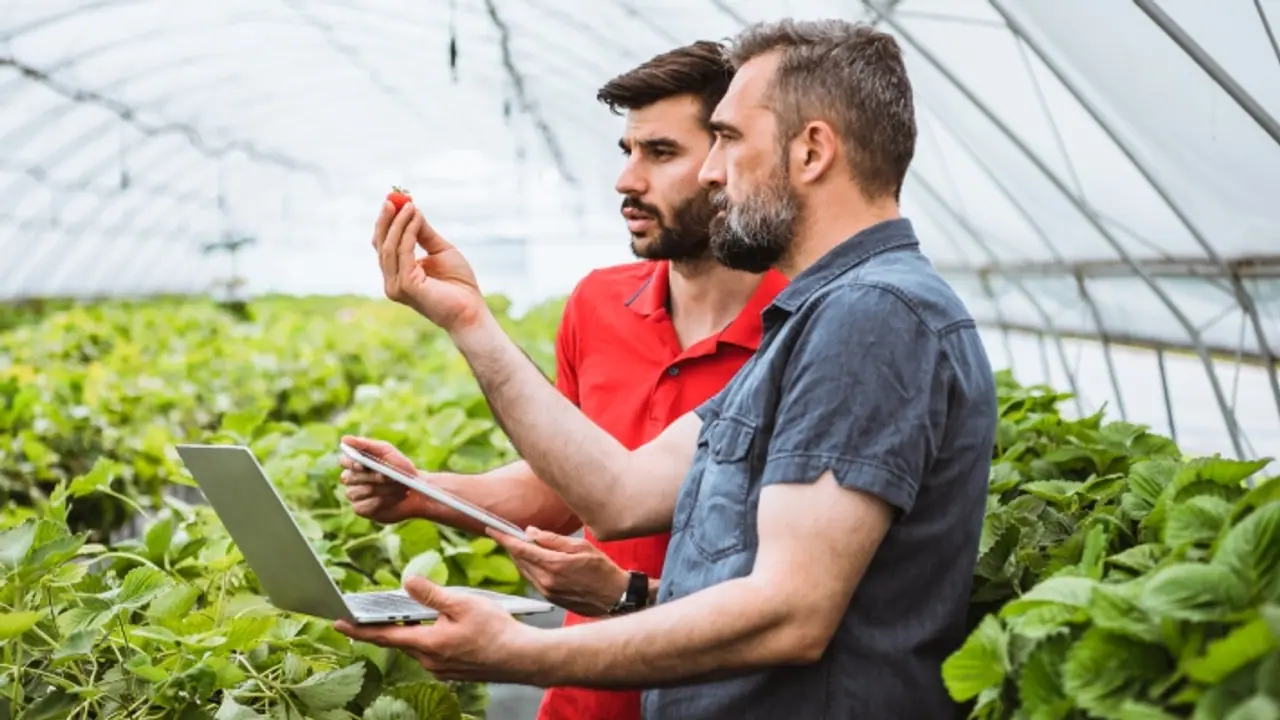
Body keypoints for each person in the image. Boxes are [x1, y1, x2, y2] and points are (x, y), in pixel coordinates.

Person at [338, 18, 997, 720]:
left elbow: (790, 613)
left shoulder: (872, 317)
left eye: (732, 139)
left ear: (812, 151)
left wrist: (519, 654)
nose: (715, 171)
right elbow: (618, 494)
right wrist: (467, 318)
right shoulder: (815, 321)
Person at [337, 41, 787, 720]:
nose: (626, 181)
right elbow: (569, 485)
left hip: (724, 699)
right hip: (582, 697)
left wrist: (627, 592)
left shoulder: (803, 330)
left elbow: (797, 588)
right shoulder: (598, 304)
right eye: (626, 151)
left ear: (730, 156)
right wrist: (426, 493)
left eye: (660, 154)